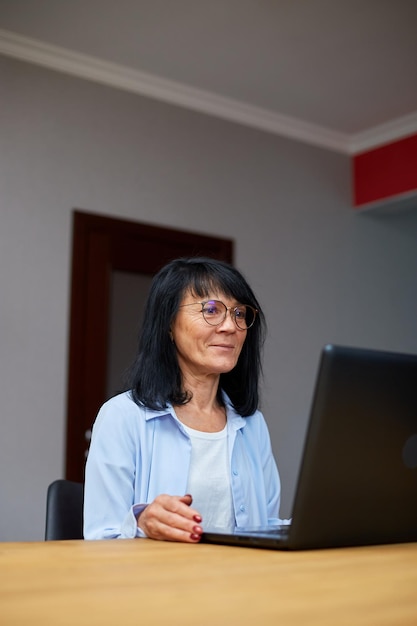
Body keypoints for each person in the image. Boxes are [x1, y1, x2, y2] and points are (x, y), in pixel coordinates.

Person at [83, 256, 285, 541]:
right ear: (168, 325)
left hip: (241, 583)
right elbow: (100, 539)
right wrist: (141, 524)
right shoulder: (122, 416)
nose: (231, 326)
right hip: (156, 584)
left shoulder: (252, 425)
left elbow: (267, 527)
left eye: (239, 313)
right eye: (211, 310)